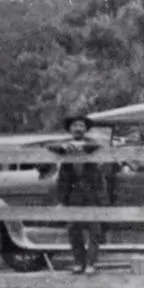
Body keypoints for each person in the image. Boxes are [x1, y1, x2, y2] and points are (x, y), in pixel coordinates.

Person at [54, 114, 108, 275]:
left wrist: (82, 147)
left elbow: (98, 146)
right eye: (75, 126)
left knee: (95, 230)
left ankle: (91, 263)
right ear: (70, 129)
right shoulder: (64, 146)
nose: (78, 128)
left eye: (81, 126)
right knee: (73, 229)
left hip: (91, 193)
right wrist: (64, 147)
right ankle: (79, 262)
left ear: (85, 129)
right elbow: (51, 147)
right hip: (73, 193)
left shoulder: (91, 144)